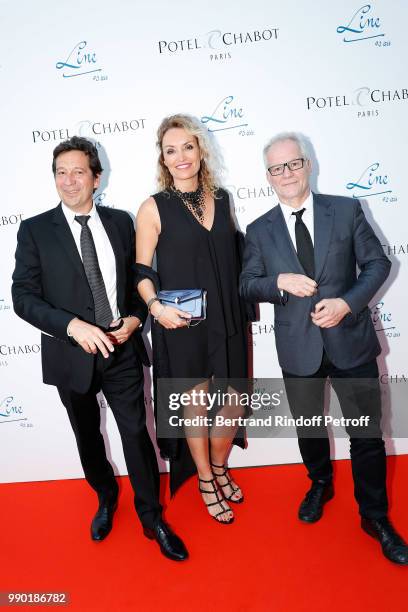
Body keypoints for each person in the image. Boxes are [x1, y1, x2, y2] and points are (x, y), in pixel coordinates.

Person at [12, 136, 187, 562]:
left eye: (78, 172)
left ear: (96, 178)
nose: (69, 181)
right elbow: (23, 297)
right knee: (87, 435)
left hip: (122, 349)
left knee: (134, 433)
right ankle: (106, 497)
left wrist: (134, 317)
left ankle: (152, 517)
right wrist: (71, 326)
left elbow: (134, 284)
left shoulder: (120, 222)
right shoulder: (34, 230)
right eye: (61, 172)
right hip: (70, 356)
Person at [240, 132, 408, 565]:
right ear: (268, 177)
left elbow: (378, 263)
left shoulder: (347, 209)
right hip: (298, 349)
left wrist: (347, 303)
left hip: (350, 342)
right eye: (277, 168)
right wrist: (278, 282)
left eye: (293, 164)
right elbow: (246, 285)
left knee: (366, 435)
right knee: (310, 429)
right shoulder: (259, 230)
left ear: (307, 165)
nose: (287, 173)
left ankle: (374, 516)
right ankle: (320, 483)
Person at [135, 114, 249, 524]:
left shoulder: (223, 197)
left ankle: (219, 465)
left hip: (228, 315)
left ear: (201, 150)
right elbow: (142, 272)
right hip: (181, 321)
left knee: (235, 399)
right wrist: (155, 308)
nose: (181, 156)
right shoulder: (153, 207)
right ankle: (205, 478)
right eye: (171, 150)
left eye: (188, 146)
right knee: (196, 405)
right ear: (162, 160)